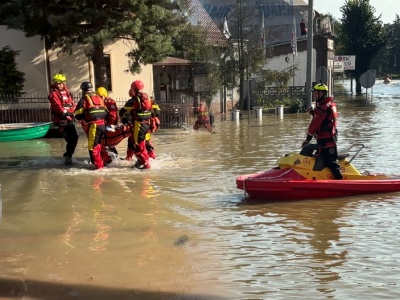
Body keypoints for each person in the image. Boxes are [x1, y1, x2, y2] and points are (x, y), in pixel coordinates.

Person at [301, 83, 343, 180]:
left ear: (322, 93)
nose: (314, 95)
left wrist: (307, 140)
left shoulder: (322, 108)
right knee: (318, 159)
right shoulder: (327, 106)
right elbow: (323, 119)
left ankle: (340, 181)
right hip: (325, 140)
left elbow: (313, 126)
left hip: (327, 141)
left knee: (331, 162)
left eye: (316, 93)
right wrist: (313, 113)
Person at [74, 82, 108, 169]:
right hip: (103, 125)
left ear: (83, 90)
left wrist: (83, 118)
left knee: (92, 147)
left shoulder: (84, 99)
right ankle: (102, 163)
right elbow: (106, 112)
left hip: (94, 126)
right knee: (99, 145)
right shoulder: (99, 98)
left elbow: (77, 114)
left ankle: (99, 168)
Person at [120, 80, 152, 169]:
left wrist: (124, 121)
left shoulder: (133, 100)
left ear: (134, 89)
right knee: (145, 143)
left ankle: (145, 164)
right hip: (147, 124)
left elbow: (122, 111)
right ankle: (144, 160)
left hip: (138, 125)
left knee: (139, 145)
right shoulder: (148, 98)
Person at [48, 72, 79, 165]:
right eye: (57, 83)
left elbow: (72, 103)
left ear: (64, 83)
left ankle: (68, 156)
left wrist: (74, 111)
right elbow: (57, 106)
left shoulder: (68, 92)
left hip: (70, 119)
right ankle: (67, 157)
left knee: (74, 138)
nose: (59, 85)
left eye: (60, 83)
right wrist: (65, 112)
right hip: (62, 120)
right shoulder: (54, 94)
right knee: (70, 139)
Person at [96, 87, 119, 158]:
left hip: (110, 125)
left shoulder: (109, 102)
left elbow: (113, 115)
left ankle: (112, 158)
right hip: (107, 125)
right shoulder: (104, 102)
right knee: (107, 144)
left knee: (108, 143)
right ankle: (110, 157)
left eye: (100, 96)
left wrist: (109, 125)